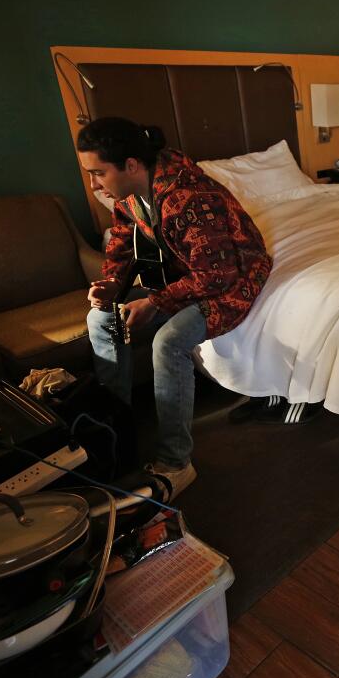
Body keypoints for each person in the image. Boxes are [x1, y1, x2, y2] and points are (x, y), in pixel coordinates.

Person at [77, 117, 272, 498]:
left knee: (168, 342)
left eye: (98, 173)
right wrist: (112, 284)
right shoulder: (129, 196)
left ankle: (177, 462)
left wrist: (155, 302)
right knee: (101, 318)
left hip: (233, 282)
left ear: (131, 164)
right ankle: (116, 432)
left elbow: (217, 274)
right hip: (179, 277)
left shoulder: (192, 196)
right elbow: (121, 239)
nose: (93, 184)